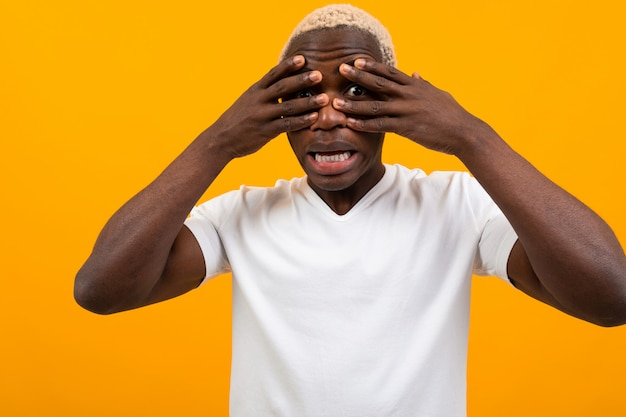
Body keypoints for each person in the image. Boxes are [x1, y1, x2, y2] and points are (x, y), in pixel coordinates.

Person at [74, 4, 626, 416]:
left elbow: (611, 295)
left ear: (397, 102)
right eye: (306, 95)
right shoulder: (240, 216)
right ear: (277, 109)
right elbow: (100, 290)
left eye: (357, 91)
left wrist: (471, 137)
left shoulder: (460, 207)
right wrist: (217, 142)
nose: (330, 117)